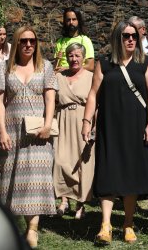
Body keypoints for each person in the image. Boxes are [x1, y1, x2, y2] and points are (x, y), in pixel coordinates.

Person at [81, 20, 148, 245]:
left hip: (136, 126)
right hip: (109, 126)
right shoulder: (104, 63)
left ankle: (128, 223)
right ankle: (105, 225)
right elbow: (94, 94)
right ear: (117, 38)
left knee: (131, 173)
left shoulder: (146, 63)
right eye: (126, 36)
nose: (131, 39)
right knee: (108, 170)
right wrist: (87, 122)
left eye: (134, 35)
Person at [0, 26, 58, 249]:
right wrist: (1, 131)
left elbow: (51, 99)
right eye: (23, 41)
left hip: (38, 133)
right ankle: (14, 225)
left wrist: (48, 124)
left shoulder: (46, 66)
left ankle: (32, 229)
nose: (28, 45)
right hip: (12, 132)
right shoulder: (5, 67)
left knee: (36, 179)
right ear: (17, 43)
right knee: (13, 178)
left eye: (32, 40)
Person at [53, 43, 94, 220]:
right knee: (61, 160)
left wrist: (93, 125)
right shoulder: (58, 77)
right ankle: (64, 200)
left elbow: (97, 103)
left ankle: (81, 204)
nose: (74, 59)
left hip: (83, 120)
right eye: (71, 55)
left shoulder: (92, 77)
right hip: (63, 120)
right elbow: (51, 101)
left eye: (77, 56)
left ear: (83, 57)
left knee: (83, 163)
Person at [54, 7, 95, 72]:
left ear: (78, 21)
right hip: (62, 79)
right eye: (68, 20)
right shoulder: (60, 42)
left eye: (74, 19)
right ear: (65, 22)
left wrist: (67, 68)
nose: (71, 22)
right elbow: (55, 68)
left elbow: (90, 66)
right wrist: (57, 60)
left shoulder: (85, 40)